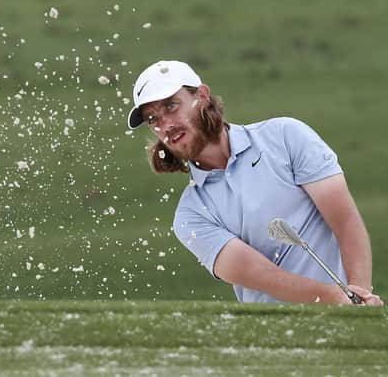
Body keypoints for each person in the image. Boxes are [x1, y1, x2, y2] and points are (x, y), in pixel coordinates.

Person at [127, 60, 383, 305]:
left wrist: (358, 297)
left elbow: (345, 221)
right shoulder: (190, 215)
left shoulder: (285, 137)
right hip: (276, 341)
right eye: (153, 119)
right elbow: (264, 276)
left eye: (172, 106)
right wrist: (337, 299)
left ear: (202, 96)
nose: (165, 125)